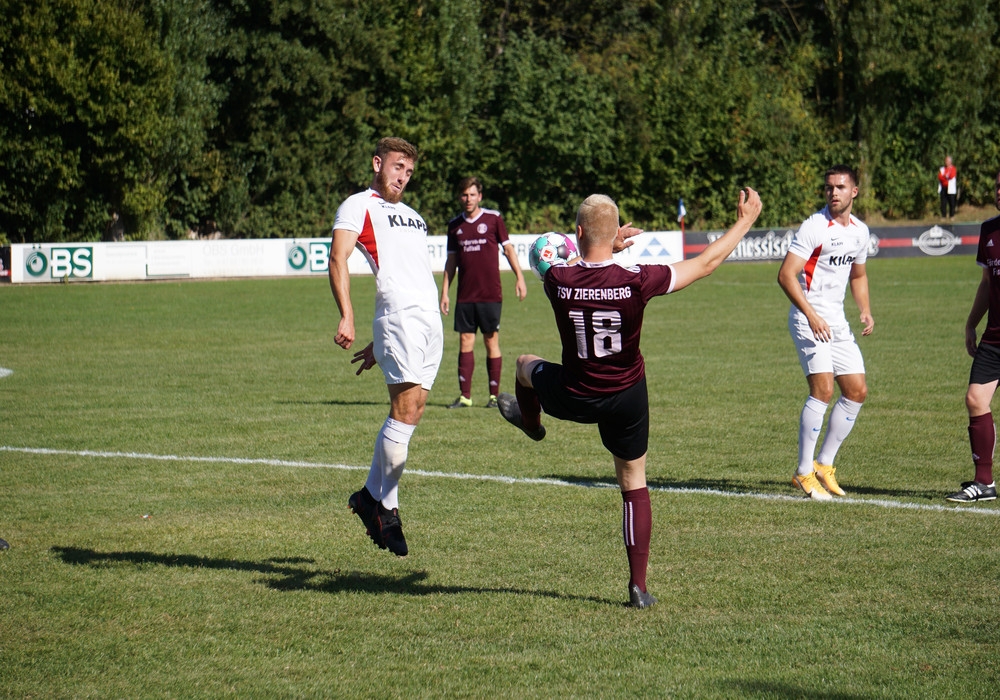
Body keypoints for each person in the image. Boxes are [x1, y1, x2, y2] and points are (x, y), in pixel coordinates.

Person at [497, 188, 762, 609]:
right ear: (610, 233)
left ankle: (532, 424)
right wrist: (745, 221)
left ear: (578, 232)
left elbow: (574, 263)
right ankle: (638, 587)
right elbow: (706, 263)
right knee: (633, 482)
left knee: (524, 365)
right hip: (626, 396)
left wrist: (606, 244)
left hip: (575, 393)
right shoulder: (637, 278)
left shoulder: (557, 280)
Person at [328, 136, 444, 556]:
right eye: (397, 167)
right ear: (378, 163)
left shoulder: (414, 216)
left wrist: (380, 343)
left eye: (409, 171)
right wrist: (349, 315)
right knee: (404, 411)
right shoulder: (357, 205)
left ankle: (369, 498)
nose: (403, 177)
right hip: (401, 318)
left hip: (428, 320)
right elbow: (338, 257)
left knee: (413, 412)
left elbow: (409, 272)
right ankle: (384, 507)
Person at [777, 165, 874, 501]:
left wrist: (865, 309)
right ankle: (804, 472)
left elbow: (858, 276)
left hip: (837, 322)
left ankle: (823, 465)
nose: (834, 192)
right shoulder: (815, 226)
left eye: (841, 187)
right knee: (823, 388)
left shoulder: (860, 232)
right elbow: (786, 275)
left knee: (857, 391)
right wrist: (810, 313)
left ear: (854, 192)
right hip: (808, 318)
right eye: (829, 187)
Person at [440, 177, 527, 409]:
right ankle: (465, 397)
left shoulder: (493, 219)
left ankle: (493, 396)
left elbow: (508, 250)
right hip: (466, 296)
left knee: (491, 341)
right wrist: (445, 292)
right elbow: (451, 262)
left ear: (479, 196)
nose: (467, 199)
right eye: (464, 195)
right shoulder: (454, 225)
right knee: (465, 341)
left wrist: (520, 277)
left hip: (490, 294)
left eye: (472, 194)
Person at [948, 170, 1000, 503]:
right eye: (997, 186)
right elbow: (986, 283)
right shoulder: (989, 230)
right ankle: (984, 483)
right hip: (994, 338)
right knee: (975, 400)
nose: (999, 192)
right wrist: (971, 322)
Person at [938, 155, 958, 220]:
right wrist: (945, 177)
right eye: (945, 161)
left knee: (952, 202)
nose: (946, 162)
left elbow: (951, 176)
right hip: (943, 187)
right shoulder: (942, 169)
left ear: (950, 161)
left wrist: (945, 176)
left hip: (950, 188)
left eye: (947, 161)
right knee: (943, 202)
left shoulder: (953, 168)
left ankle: (952, 215)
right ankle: (943, 215)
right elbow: (940, 177)